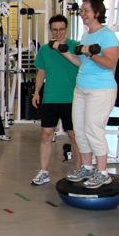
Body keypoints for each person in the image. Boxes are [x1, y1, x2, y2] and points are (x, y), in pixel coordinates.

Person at [53, 0, 119, 189]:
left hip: (101, 89)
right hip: (81, 88)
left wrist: (91, 53)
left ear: (97, 13)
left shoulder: (107, 35)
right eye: (81, 10)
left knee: (93, 130)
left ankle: (103, 172)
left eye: (86, 10)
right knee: (79, 131)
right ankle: (87, 167)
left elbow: (109, 63)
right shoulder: (86, 35)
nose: (82, 14)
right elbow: (81, 62)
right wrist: (63, 52)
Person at [31, 14, 81, 186]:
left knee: (74, 136)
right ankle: (44, 171)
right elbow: (41, 72)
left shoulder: (76, 47)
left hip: (71, 98)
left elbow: (81, 64)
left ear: (66, 29)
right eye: (54, 30)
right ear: (50, 30)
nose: (58, 33)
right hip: (50, 98)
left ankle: (79, 172)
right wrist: (36, 92)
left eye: (61, 29)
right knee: (46, 135)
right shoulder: (45, 49)